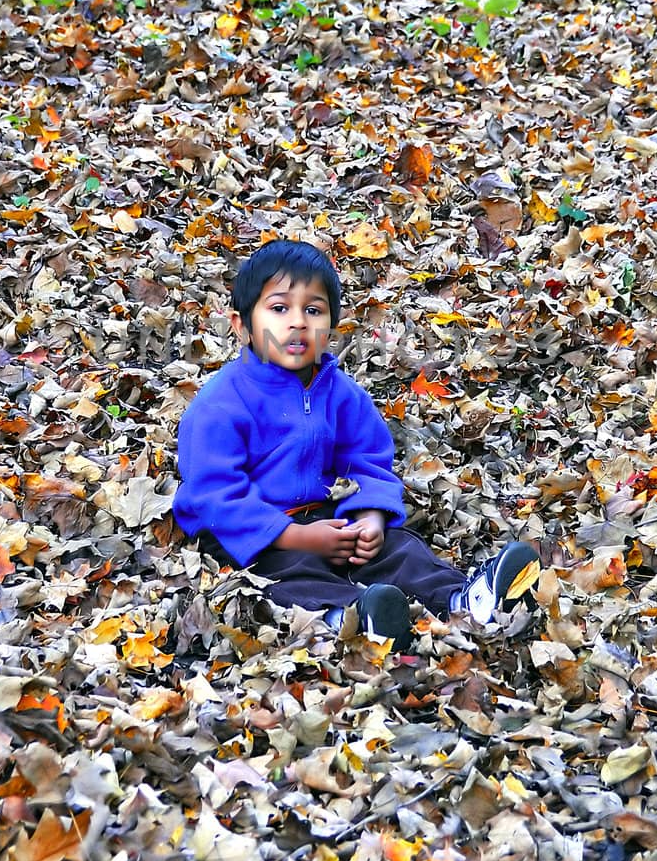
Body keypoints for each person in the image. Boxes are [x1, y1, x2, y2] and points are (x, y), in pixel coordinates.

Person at [172, 239, 539, 651]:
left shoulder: (342, 394)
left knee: (401, 552)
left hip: (328, 515)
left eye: (313, 310)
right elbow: (215, 494)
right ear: (241, 326)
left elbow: (366, 462)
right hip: (253, 532)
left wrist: (369, 518)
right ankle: (351, 615)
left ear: (331, 325)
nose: (297, 323)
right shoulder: (221, 404)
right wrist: (294, 536)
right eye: (279, 309)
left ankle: (466, 600)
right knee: (290, 574)